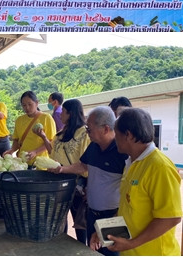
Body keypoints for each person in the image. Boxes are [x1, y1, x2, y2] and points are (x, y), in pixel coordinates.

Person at [99, 108, 182, 255]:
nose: (114, 139)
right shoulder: (131, 163)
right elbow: (129, 207)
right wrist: (104, 231)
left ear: (128, 135)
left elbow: (171, 218)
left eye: (116, 135)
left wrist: (131, 243)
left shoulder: (159, 166)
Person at [50, 106, 128, 255]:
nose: (87, 132)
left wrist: (113, 220)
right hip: (92, 213)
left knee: (111, 253)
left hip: (113, 217)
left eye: (89, 129)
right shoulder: (93, 146)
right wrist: (61, 169)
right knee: (93, 252)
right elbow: (82, 165)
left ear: (105, 129)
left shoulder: (122, 152)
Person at [37, 99, 90, 244]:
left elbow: (85, 163)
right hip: (59, 181)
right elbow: (52, 154)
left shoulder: (84, 134)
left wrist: (63, 169)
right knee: (60, 218)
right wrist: (43, 137)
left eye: (63, 111)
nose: (60, 114)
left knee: (79, 220)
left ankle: (81, 247)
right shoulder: (60, 134)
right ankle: (62, 246)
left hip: (77, 182)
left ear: (71, 113)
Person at [5, 91, 56, 164]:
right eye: (24, 105)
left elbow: (51, 142)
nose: (27, 108)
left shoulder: (46, 118)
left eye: (30, 104)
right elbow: (16, 140)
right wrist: (11, 150)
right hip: (22, 162)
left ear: (37, 103)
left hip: (40, 163)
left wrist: (35, 152)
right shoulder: (19, 120)